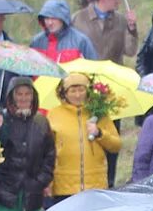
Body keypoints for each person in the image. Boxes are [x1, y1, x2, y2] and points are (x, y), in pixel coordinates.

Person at [0, 78, 55, 211]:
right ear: (11, 96)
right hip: (5, 194)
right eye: (19, 94)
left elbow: (49, 156)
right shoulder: (1, 119)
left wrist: (39, 182)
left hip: (32, 195)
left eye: (27, 94)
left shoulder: (41, 122)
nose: (23, 98)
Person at [47, 70, 122, 200]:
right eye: (72, 91)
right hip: (64, 187)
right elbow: (46, 151)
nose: (77, 95)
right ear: (64, 93)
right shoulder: (54, 115)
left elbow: (116, 146)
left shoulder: (99, 113)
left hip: (95, 185)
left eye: (81, 90)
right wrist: (48, 183)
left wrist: (99, 133)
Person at [71, 0, 138, 65]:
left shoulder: (121, 20)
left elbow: (130, 51)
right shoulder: (78, 19)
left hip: (112, 75)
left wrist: (132, 29)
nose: (119, 1)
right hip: (87, 74)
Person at [29, 0, 98, 64]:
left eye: (53, 18)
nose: (50, 22)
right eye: (47, 18)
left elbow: (94, 69)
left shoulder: (81, 41)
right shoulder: (36, 42)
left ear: (63, 19)